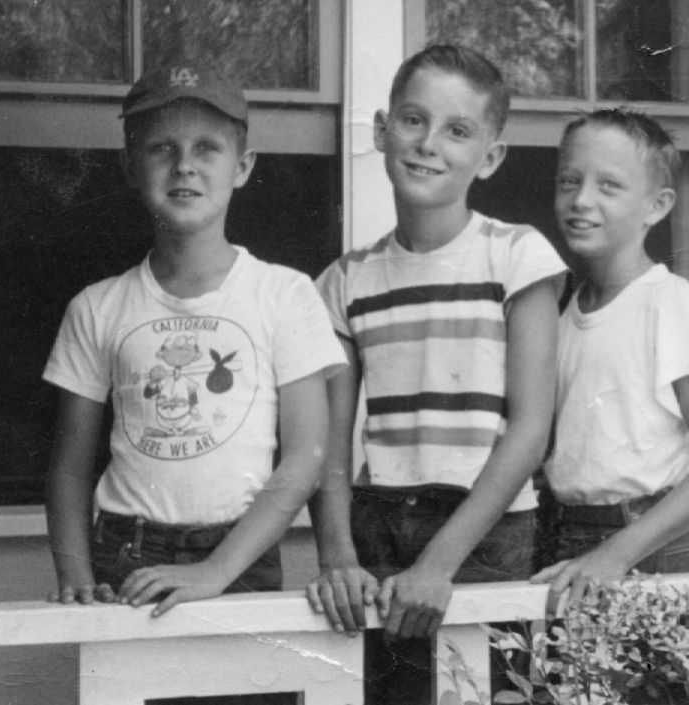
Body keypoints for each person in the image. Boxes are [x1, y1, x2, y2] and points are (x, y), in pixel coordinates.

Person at [306, 45, 566, 698]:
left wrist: (439, 563)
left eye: (457, 130)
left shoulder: (517, 254)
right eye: (413, 120)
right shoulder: (345, 279)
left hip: (485, 526)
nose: (428, 144)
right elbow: (328, 444)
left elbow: (530, 429)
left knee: (480, 692)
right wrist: (337, 556)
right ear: (381, 129)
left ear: (491, 156)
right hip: (377, 525)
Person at [44, 64, 344, 617]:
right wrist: (76, 576)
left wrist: (217, 570)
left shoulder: (285, 293)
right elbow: (69, 468)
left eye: (207, 147)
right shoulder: (97, 306)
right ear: (130, 166)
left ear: (243, 167)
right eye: (162, 148)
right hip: (126, 556)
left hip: (240, 554)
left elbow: (306, 456)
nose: (184, 164)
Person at [532, 108, 689, 614]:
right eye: (569, 181)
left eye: (609, 186)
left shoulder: (667, 301)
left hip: (645, 548)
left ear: (657, 206)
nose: (582, 200)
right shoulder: (562, 312)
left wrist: (615, 555)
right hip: (569, 540)